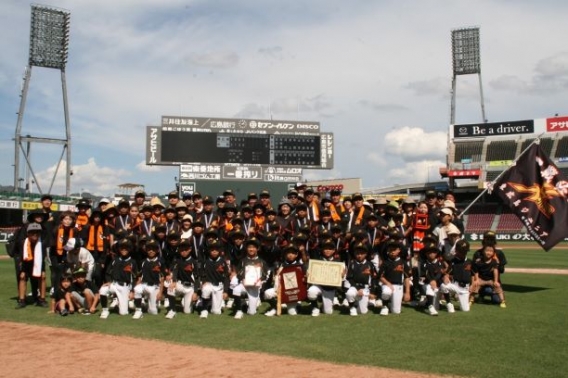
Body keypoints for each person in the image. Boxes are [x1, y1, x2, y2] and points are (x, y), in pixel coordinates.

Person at [99, 239, 139, 319]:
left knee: (123, 313)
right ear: (119, 249)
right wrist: (109, 281)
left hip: (125, 287)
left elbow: (135, 278)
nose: (124, 249)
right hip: (114, 284)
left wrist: (132, 291)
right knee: (102, 290)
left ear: (129, 249)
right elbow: (108, 272)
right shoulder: (115, 260)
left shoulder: (132, 262)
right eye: (122, 248)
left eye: (126, 247)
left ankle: (121, 302)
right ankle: (105, 310)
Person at [232, 237, 270, 319]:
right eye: (249, 247)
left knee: (251, 313)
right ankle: (239, 310)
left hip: (255, 287)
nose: (251, 249)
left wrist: (260, 281)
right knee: (236, 290)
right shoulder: (243, 261)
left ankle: (244, 304)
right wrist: (242, 279)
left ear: (257, 249)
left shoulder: (262, 262)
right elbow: (238, 273)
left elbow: (266, 275)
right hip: (244, 285)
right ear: (246, 249)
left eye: (253, 247)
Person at [263, 244, 305, 316]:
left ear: (296, 254)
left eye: (293, 253)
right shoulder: (280, 265)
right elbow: (275, 280)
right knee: (267, 293)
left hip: (294, 292)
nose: (290, 255)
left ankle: (297, 305)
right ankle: (275, 308)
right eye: (288, 253)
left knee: (292, 313)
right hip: (281, 290)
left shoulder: (300, 266)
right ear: (285, 254)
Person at [307, 239, 345, 317]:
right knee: (311, 292)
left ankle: (323, 307)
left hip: (330, 288)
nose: (327, 251)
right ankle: (315, 307)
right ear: (322, 250)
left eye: (330, 249)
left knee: (328, 312)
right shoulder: (317, 261)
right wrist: (308, 274)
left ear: (334, 250)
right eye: (326, 248)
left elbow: (342, 279)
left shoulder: (338, 262)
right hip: (318, 286)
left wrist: (342, 275)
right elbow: (309, 274)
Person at [15, 223, 48, 309]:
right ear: (28, 233)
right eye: (32, 232)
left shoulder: (42, 243)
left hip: (38, 263)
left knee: (43, 277)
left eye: (37, 232)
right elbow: (20, 255)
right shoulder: (22, 243)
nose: (35, 234)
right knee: (22, 277)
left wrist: (42, 270)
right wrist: (22, 270)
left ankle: (42, 299)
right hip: (26, 263)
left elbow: (42, 257)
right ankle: (22, 300)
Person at [164, 239, 198, 319]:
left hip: (190, 288)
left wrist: (196, 292)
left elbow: (197, 278)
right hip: (180, 284)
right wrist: (174, 281)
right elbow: (174, 271)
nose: (183, 251)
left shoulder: (194, 262)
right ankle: (172, 310)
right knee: (170, 286)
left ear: (190, 249)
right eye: (181, 249)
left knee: (187, 312)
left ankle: (190, 301)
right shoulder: (177, 260)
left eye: (186, 249)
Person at [132, 240, 165, 319]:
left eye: (153, 249)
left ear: (157, 250)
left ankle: (150, 304)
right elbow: (139, 277)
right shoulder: (142, 262)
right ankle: (138, 310)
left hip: (155, 287)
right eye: (149, 249)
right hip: (144, 285)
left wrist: (160, 292)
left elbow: (162, 278)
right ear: (146, 250)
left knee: (153, 312)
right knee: (137, 289)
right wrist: (134, 291)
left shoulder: (160, 262)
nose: (151, 251)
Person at [378, 240, 411, 316]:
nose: (392, 252)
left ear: (399, 250)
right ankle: (385, 306)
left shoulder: (403, 263)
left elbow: (407, 278)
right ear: (387, 251)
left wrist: (407, 292)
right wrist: (387, 283)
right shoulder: (385, 263)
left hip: (399, 286)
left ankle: (390, 304)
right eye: (390, 250)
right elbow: (380, 277)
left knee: (396, 311)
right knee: (386, 292)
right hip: (387, 285)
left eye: (394, 250)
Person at [344, 242, 378, 316]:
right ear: (354, 254)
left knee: (362, 312)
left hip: (366, 288)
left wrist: (372, 292)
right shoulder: (352, 264)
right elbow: (349, 278)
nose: (359, 255)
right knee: (349, 293)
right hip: (355, 287)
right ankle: (352, 307)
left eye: (362, 253)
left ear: (366, 254)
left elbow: (374, 279)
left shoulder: (370, 264)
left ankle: (363, 302)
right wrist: (357, 288)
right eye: (357, 253)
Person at [199, 240, 230, 318]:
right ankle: (204, 309)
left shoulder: (223, 262)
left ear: (219, 250)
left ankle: (211, 303)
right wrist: (203, 281)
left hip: (219, 286)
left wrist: (226, 291)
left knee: (216, 312)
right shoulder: (205, 262)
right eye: (212, 250)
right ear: (209, 251)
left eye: (216, 249)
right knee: (206, 289)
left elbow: (226, 277)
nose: (214, 251)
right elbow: (201, 274)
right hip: (209, 284)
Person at [440, 239, 472, 312]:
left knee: (465, 310)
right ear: (457, 251)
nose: (462, 253)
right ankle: (449, 304)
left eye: (464, 251)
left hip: (465, 289)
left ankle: (461, 302)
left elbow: (474, 274)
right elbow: (447, 272)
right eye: (461, 251)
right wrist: (446, 276)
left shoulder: (470, 262)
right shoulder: (453, 261)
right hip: (455, 285)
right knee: (443, 286)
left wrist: (473, 285)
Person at [471, 244, 507, 308]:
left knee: (498, 286)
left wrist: (496, 281)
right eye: (487, 251)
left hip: (490, 280)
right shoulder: (479, 261)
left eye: (491, 251)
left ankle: (502, 301)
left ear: (493, 253)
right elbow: (476, 271)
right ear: (483, 251)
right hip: (481, 279)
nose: (489, 253)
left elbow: (495, 271)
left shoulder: (494, 262)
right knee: (475, 285)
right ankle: (471, 299)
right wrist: (476, 279)